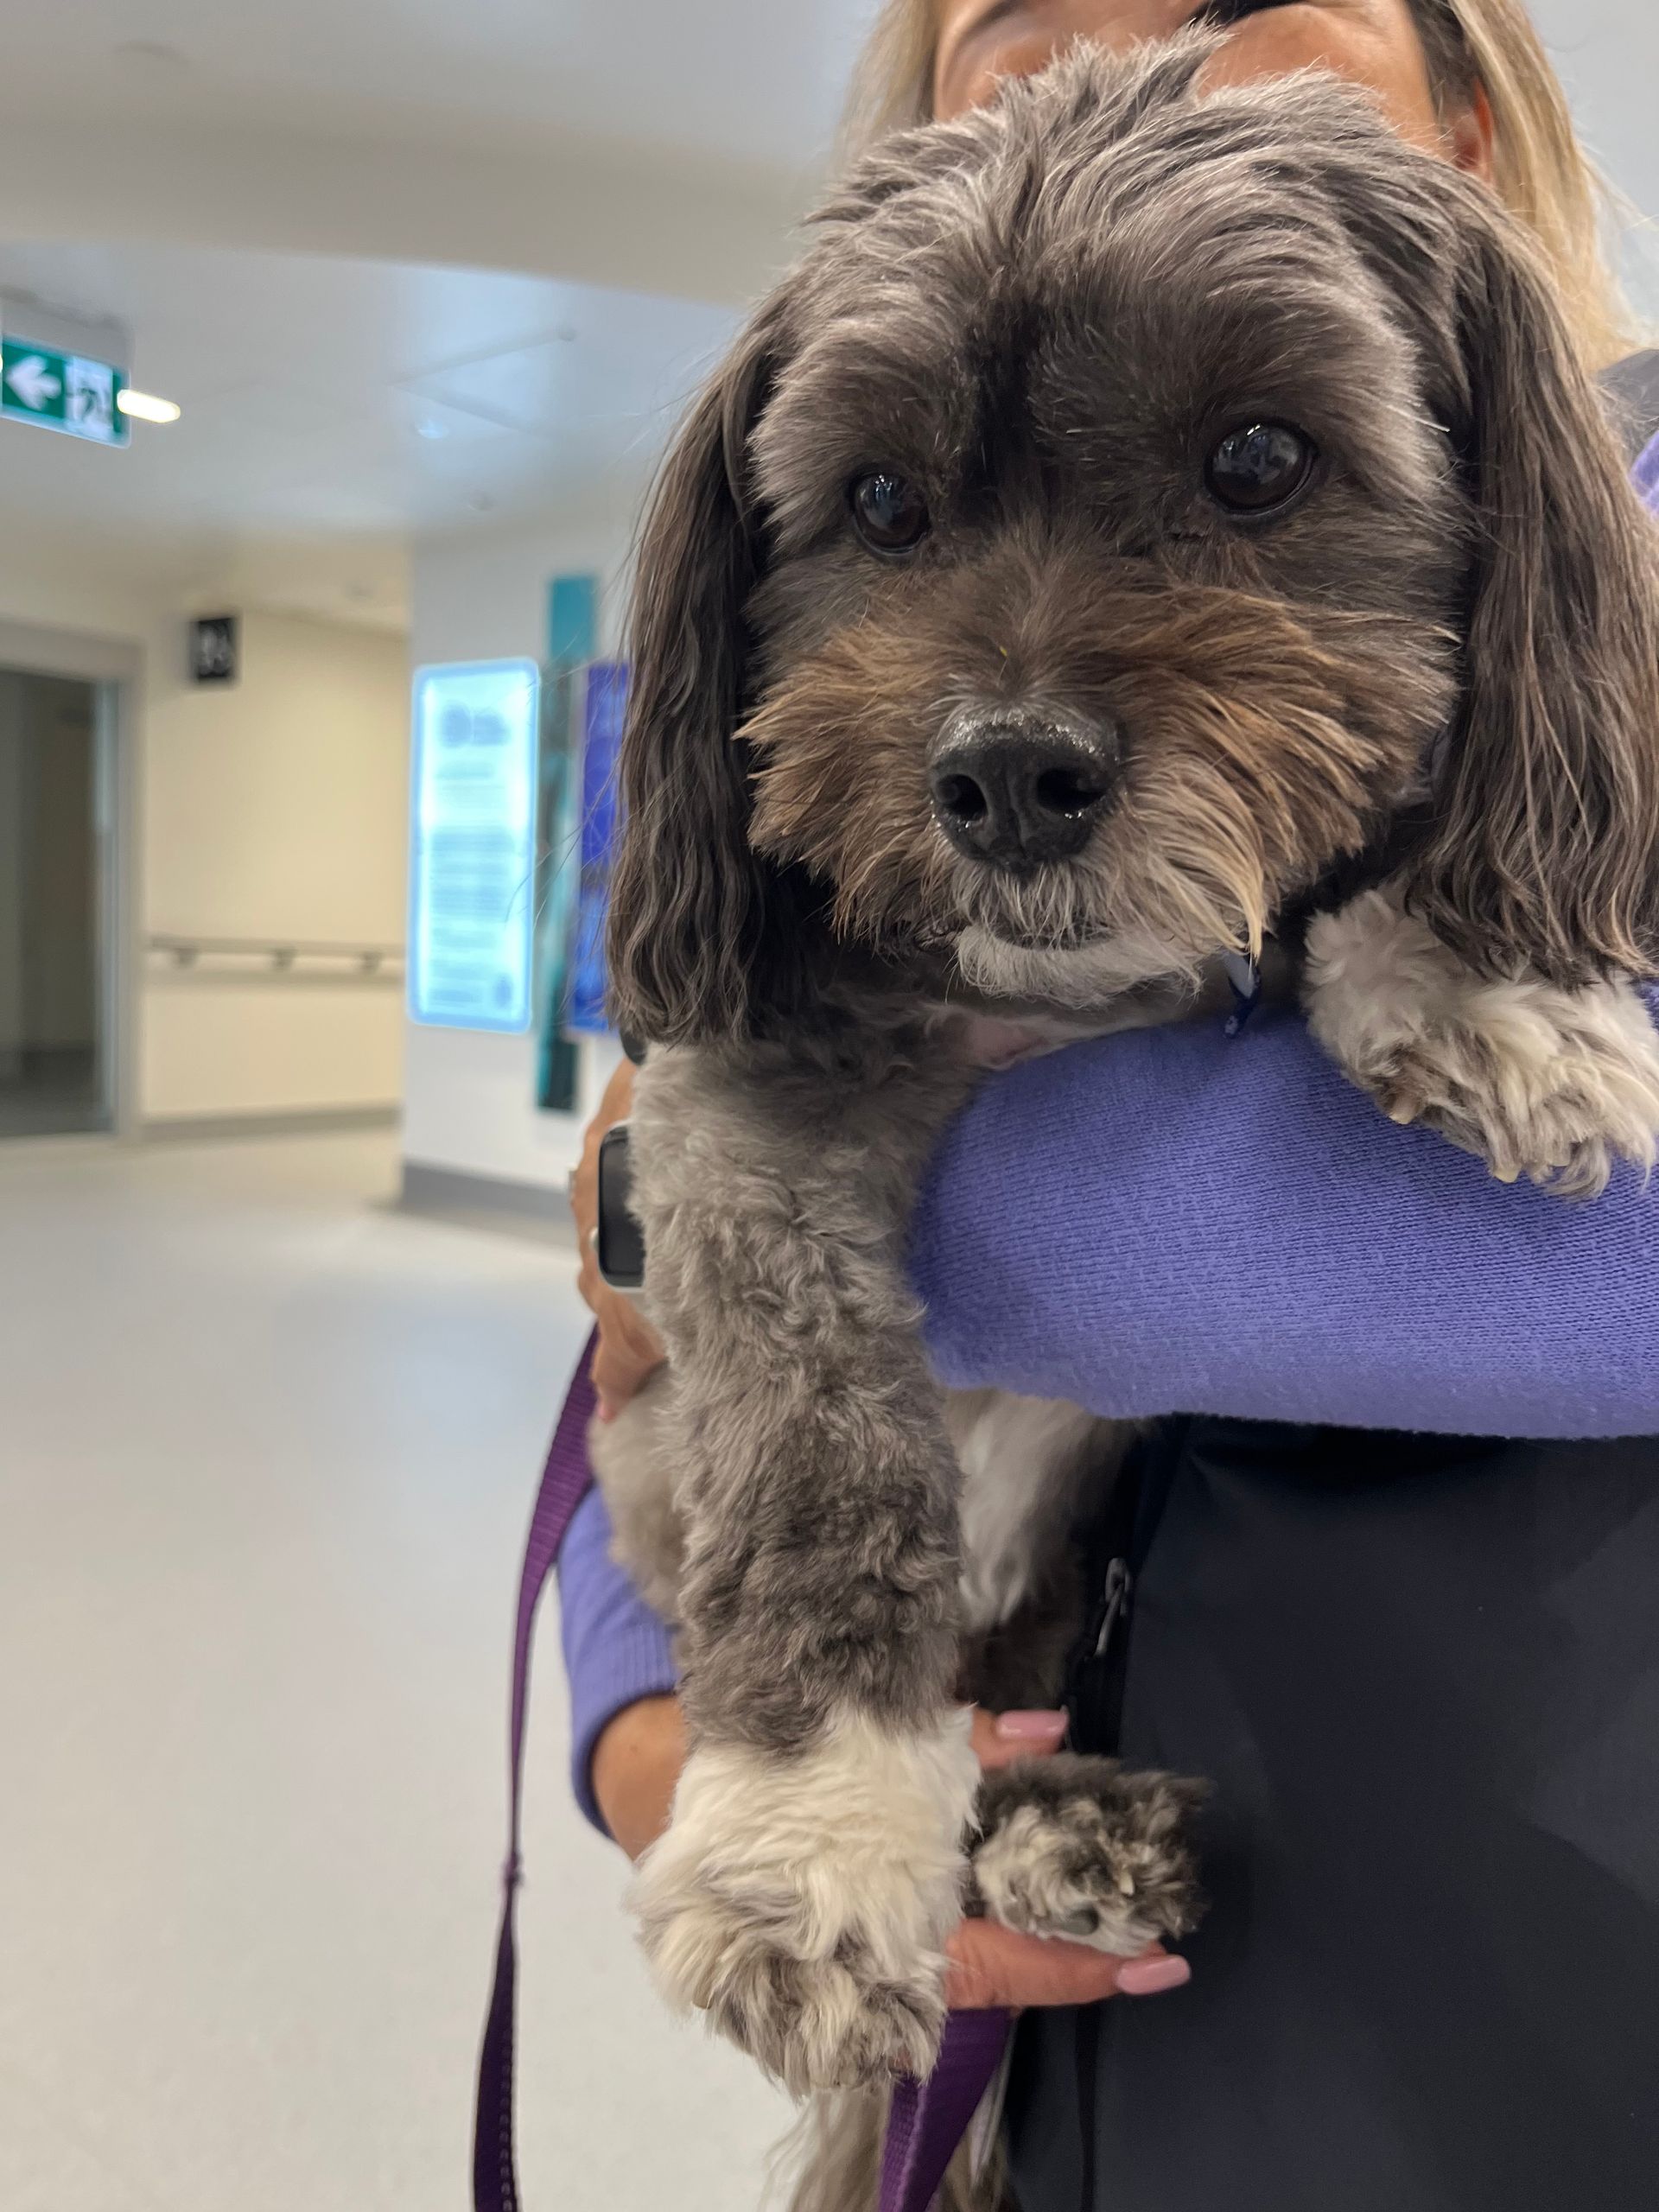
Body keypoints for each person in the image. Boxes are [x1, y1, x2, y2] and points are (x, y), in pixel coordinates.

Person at [558, 5, 1659, 2206]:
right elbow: (665, 1327)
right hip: (1080, 1910)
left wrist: (808, 1212)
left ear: (1469, 105)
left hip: (1519, 1913)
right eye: (891, 511)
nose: (1143, 60)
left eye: (1249, 471)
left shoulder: (1577, 512)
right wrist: (658, 1724)